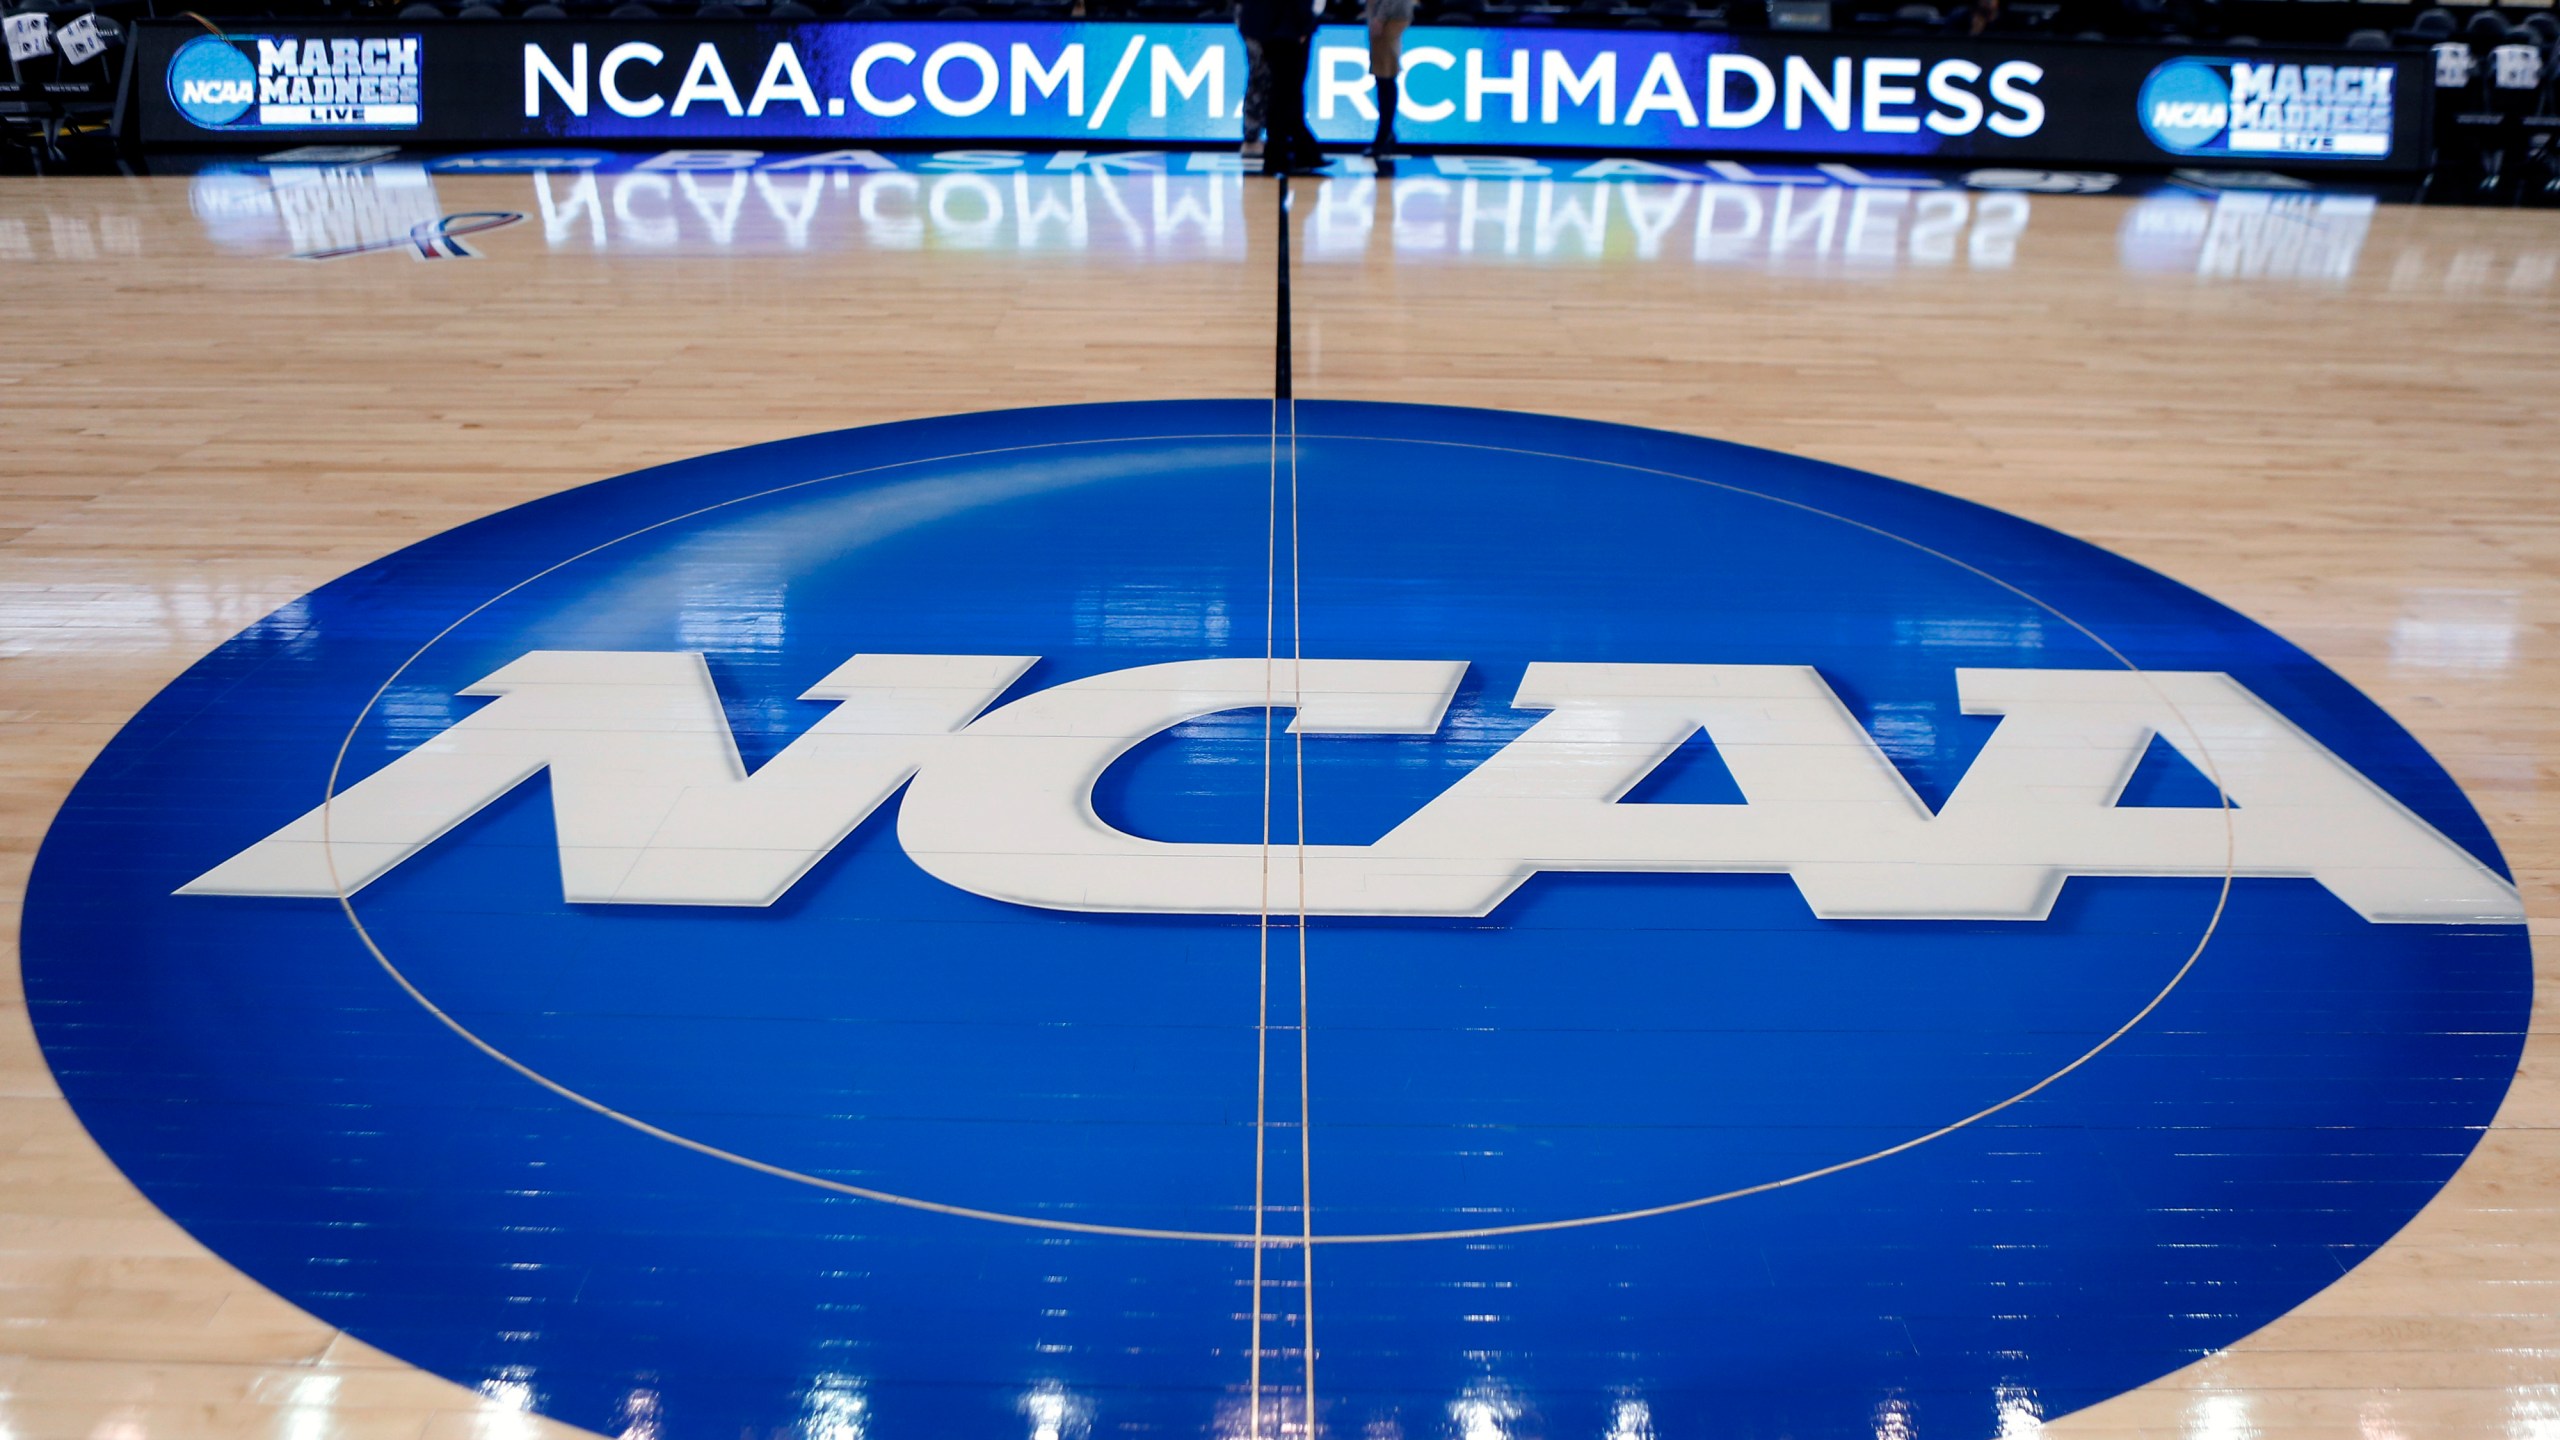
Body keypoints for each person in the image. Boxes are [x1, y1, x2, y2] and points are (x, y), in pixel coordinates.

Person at [1237, 0, 1323, 173]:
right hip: (1286, 30)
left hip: (1267, 27)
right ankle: (1289, 154)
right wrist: (1304, 26)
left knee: (1281, 93)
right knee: (1286, 94)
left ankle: (1292, 153)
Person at [1365, 0, 1412, 159]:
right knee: (1383, 77)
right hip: (1386, 15)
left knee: (1385, 76)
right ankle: (1387, 133)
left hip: (1389, 16)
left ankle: (1383, 136)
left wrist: (1380, 17)